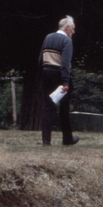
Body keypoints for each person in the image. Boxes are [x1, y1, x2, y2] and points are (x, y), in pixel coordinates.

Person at [39, 15, 79, 146]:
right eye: (72, 28)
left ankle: (46, 140)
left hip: (46, 72)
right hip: (59, 75)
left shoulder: (48, 37)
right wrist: (66, 81)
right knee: (64, 108)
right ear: (67, 27)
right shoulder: (66, 41)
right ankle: (67, 139)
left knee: (47, 107)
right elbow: (65, 62)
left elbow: (40, 59)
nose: (73, 31)